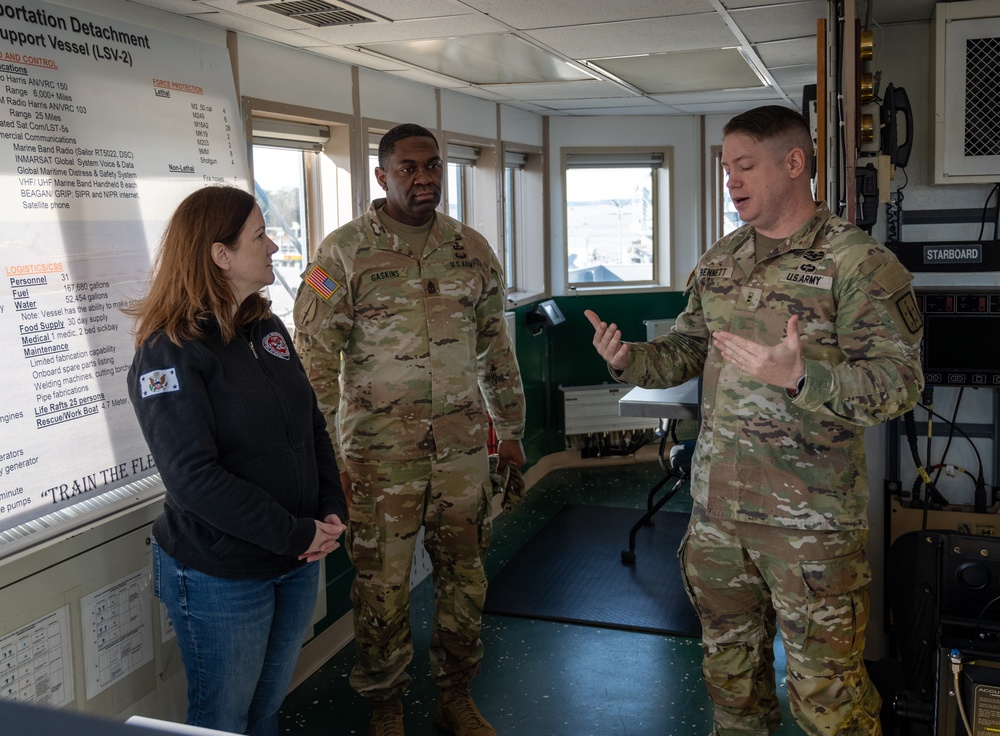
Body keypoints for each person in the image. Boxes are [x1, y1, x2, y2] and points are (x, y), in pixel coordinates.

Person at [586, 105, 923, 735]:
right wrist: (631, 359)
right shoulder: (721, 260)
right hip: (720, 517)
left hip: (810, 527)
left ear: (794, 163)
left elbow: (899, 384)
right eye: (725, 168)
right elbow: (686, 350)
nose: (731, 181)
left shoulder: (858, 264)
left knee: (831, 705)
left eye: (744, 166)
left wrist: (801, 376)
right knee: (732, 689)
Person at [293, 123, 525, 736]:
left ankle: (455, 695)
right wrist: (326, 459)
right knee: (382, 588)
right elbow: (314, 361)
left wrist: (513, 429)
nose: (424, 180)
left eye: (432, 167)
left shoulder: (472, 251)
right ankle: (385, 704)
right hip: (377, 459)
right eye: (408, 169)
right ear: (381, 176)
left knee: (465, 580)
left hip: (461, 453)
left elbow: (495, 350)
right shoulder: (340, 254)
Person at [125, 185, 347, 736]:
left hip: (293, 557)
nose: (274, 246)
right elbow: (193, 479)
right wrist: (297, 533)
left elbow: (310, 425)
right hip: (221, 573)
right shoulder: (168, 351)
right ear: (220, 255)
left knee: (266, 707)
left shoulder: (266, 328)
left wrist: (329, 508)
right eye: (259, 236)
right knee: (222, 719)